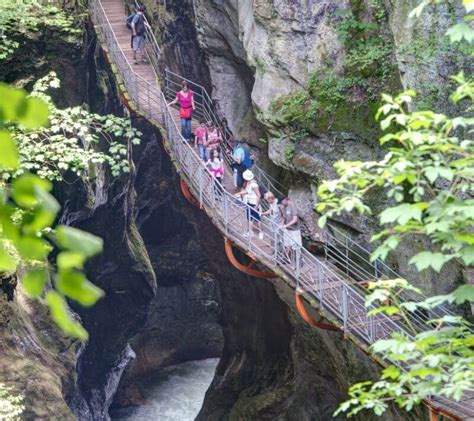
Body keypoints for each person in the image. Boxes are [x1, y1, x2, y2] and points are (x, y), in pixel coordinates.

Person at [235, 170, 263, 239]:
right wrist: (239, 193)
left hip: (254, 203)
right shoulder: (249, 183)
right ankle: (250, 232)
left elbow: (258, 195)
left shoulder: (254, 185)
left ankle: (261, 232)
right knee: (249, 218)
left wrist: (256, 205)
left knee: (257, 219)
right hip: (249, 203)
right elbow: (246, 191)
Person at [279, 196, 302, 265]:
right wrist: (281, 224)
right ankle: (286, 259)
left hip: (295, 230)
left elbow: (295, 220)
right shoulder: (284, 207)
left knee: (296, 246)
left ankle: (299, 262)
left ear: (285, 200)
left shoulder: (293, 207)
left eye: (281, 202)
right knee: (287, 245)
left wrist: (286, 225)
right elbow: (284, 217)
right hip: (287, 230)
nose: (281, 204)